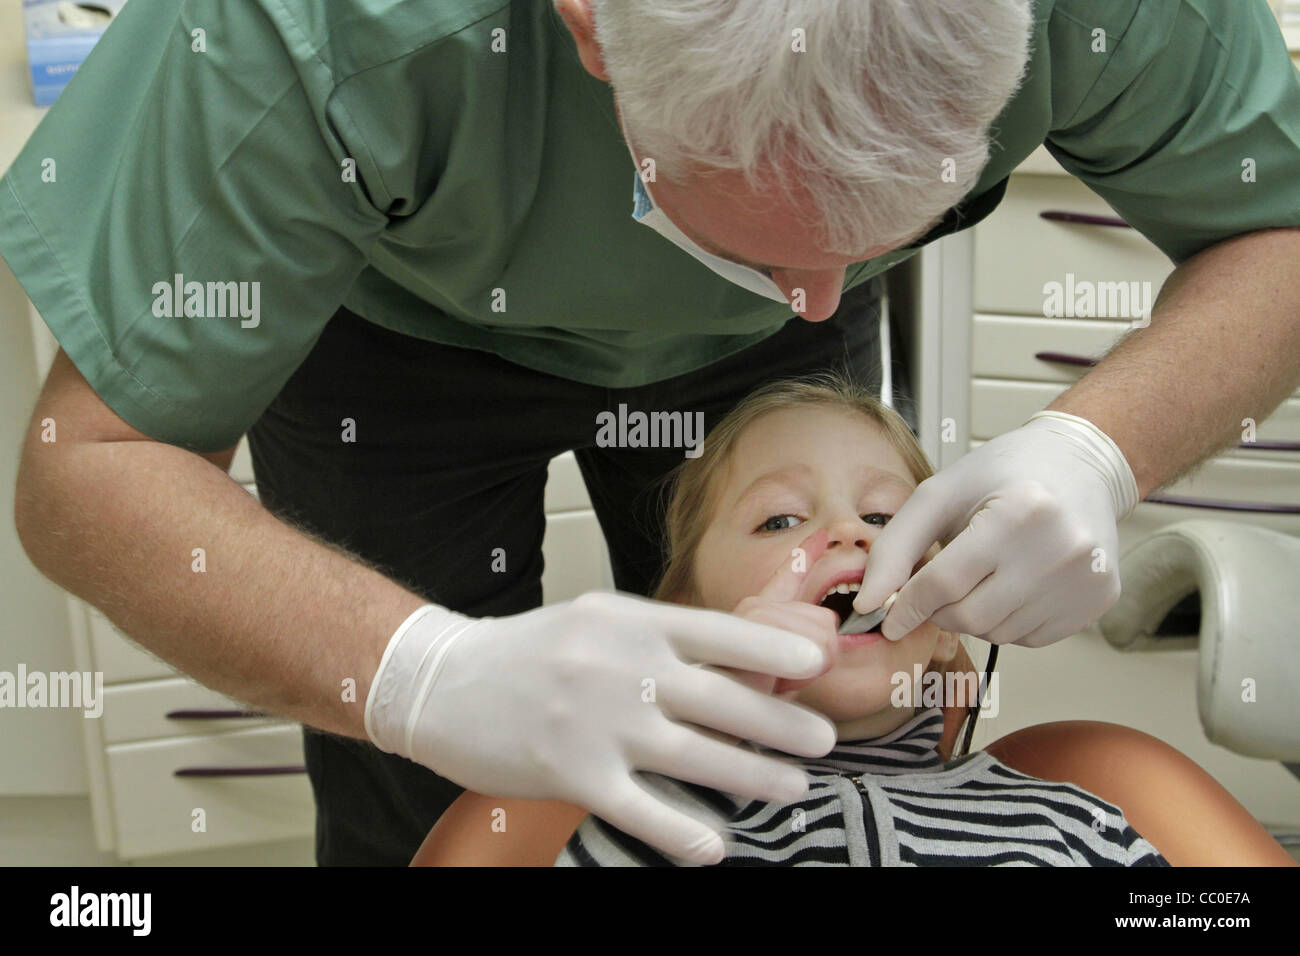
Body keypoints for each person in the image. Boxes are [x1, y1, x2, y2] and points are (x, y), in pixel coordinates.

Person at [5, 0, 1300, 866]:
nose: (826, 310)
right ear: (588, 24)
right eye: (783, 524)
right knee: (411, 782)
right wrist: (429, 681)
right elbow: (99, 468)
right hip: (392, 346)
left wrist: (1103, 444)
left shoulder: (1094, 776)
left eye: (870, 512)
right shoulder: (303, 34)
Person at [411, 374, 1297, 866]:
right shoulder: (640, 826)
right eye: (779, 522)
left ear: (952, 619)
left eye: (886, 518)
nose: (847, 533)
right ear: (686, 620)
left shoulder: (1076, 821)